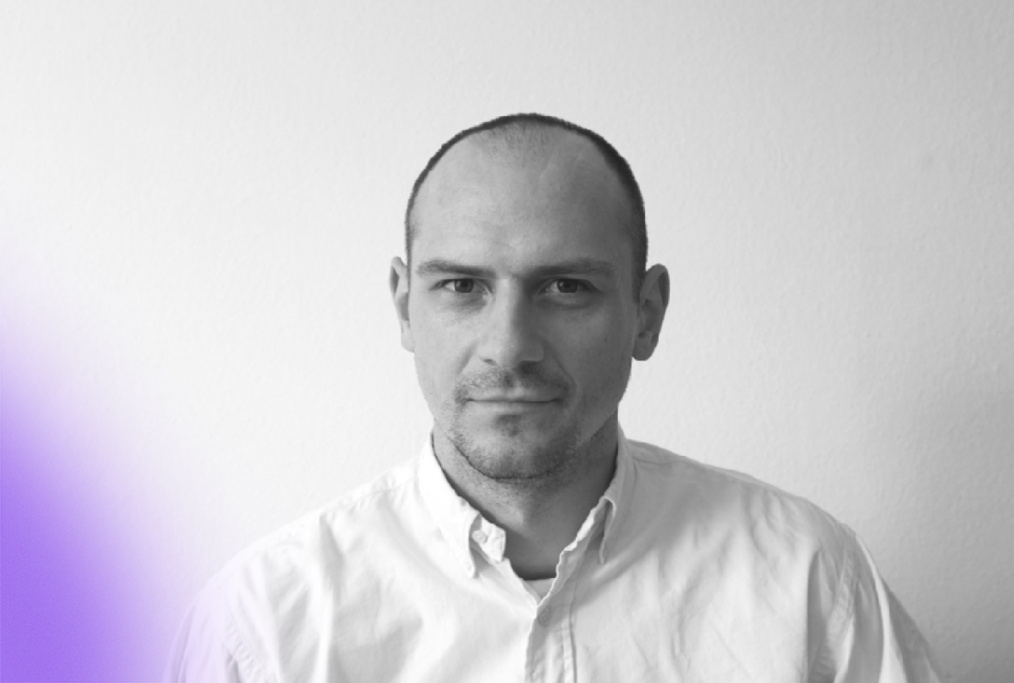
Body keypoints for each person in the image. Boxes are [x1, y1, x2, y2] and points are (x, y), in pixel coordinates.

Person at [167, 113, 943, 681]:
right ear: (405, 307)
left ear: (646, 313)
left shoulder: (806, 579)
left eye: (565, 287)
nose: (509, 346)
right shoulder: (264, 624)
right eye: (461, 286)